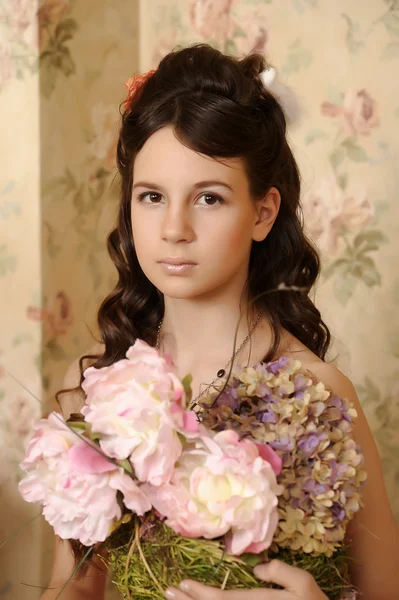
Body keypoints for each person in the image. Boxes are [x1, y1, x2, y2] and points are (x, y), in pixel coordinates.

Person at [41, 44, 399, 600]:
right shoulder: (93, 387)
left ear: (263, 213)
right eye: (152, 196)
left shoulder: (320, 394)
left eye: (208, 198)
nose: (174, 228)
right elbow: (70, 591)